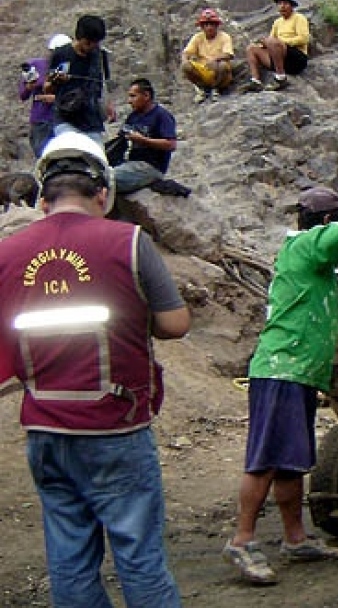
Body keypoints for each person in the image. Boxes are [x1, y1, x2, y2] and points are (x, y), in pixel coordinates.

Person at [0, 132, 190, 607]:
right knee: (139, 556)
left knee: (69, 558)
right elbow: (174, 324)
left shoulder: (8, 252)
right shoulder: (127, 242)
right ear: (102, 192)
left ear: (43, 199)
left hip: (45, 428)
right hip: (115, 428)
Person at [225, 187, 338, 585]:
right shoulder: (307, 244)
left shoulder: (313, 257)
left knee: (290, 462)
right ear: (328, 222)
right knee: (264, 461)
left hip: (296, 374)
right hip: (282, 371)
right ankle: (242, 540)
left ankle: (295, 539)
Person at [45, 15, 115, 145]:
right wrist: (56, 81)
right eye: (88, 43)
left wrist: (109, 104)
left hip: (93, 121)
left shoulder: (99, 55)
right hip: (66, 118)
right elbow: (47, 88)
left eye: (96, 43)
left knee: (97, 161)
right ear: (79, 37)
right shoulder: (61, 54)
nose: (92, 47)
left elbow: (105, 82)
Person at [111, 78, 178, 195]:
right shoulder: (133, 116)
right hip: (132, 163)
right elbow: (120, 138)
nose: (129, 101)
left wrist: (143, 140)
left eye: (133, 96)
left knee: (108, 178)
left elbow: (171, 144)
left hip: (151, 167)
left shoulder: (161, 115)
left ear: (146, 96)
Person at [243, 0, 310, 92]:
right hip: (280, 58)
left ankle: (281, 78)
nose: (282, 6)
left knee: (272, 41)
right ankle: (255, 80)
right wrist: (263, 44)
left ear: (292, 5)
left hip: (297, 58)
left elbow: (304, 39)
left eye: (285, 3)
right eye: (280, 3)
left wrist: (282, 42)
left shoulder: (299, 18)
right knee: (251, 48)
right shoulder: (277, 22)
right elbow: (271, 41)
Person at [18, 34, 71, 157]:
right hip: (42, 120)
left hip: (65, 120)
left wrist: (55, 99)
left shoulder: (72, 68)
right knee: (43, 157)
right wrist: (30, 86)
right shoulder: (36, 65)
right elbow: (23, 95)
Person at [181, 8, 234, 103]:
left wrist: (214, 60)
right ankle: (202, 89)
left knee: (223, 66)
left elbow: (228, 54)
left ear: (216, 25)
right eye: (206, 25)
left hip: (219, 71)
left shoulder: (225, 37)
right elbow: (186, 53)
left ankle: (216, 89)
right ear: (202, 27)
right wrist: (185, 61)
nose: (209, 27)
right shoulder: (197, 37)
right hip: (204, 70)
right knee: (186, 66)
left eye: (212, 24)